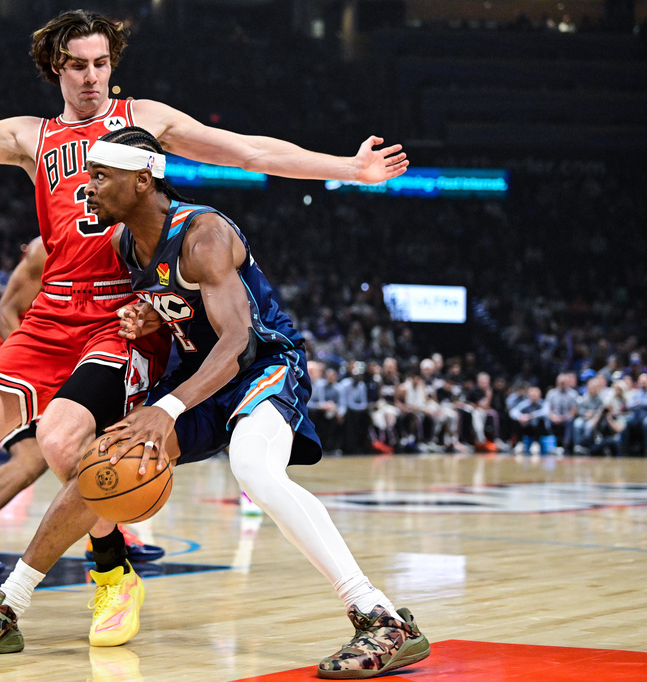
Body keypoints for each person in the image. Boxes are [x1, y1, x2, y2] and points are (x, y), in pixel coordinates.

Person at [0, 9, 407, 649]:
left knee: (65, 441)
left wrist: (348, 169)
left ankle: (111, 575)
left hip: (116, 319)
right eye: (79, 65)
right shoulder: (30, 136)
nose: (94, 77)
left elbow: (247, 150)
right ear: (56, 69)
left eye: (102, 63)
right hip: (51, 316)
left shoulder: (144, 124)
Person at [71, 129, 428, 677]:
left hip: (261, 363)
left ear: (143, 180)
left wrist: (166, 409)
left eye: (100, 176)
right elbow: (180, 310)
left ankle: (378, 615)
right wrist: (146, 318)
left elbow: (236, 341)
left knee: (254, 470)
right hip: (201, 376)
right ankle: (17, 597)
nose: (87, 187)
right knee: (107, 456)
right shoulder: (124, 243)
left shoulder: (203, 232)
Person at [0, 237, 163, 579]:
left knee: (95, 439)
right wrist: (45, 374)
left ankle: (106, 532)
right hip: (21, 356)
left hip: (72, 357)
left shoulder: (120, 244)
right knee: (32, 456)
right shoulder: (45, 247)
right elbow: (6, 312)